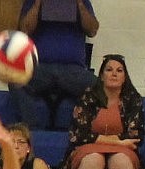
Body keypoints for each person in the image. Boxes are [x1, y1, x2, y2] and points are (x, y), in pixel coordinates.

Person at [56, 53, 144, 169]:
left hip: (123, 150)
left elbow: (135, 135)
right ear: (102, 76)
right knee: (93, 160)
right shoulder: (88, 96)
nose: (114, 74)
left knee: (121, 162)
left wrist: (108, 143)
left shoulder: (133, 99)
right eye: (109, 70)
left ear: (125, 77)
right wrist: (116, 142)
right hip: (88, 148)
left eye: (119, 70)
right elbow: (78, 134)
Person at [11, 0, 99, 130]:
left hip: (73, 71)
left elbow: (92, 30)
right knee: (15, 78)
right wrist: (37, 4)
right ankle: (32, 129)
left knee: (98, 86)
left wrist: (79, 4)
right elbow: (25, 29)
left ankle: (84, 131)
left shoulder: (84, 2)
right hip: (40, 68)